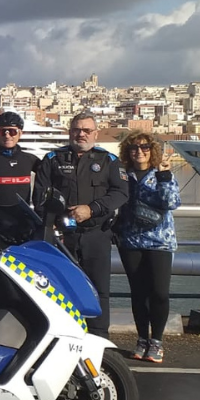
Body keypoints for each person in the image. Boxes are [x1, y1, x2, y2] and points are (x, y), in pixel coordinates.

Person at [33, 112, 129, 338]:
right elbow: (39, 198)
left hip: (96, 234)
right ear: (70, 132)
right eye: (77, 129)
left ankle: (98, 338)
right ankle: (63, 336)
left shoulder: (108, 161)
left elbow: (121, 193)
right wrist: (56, 220)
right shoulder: (52, 160)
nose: (81, 134)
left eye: (87, 130)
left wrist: (92, 209)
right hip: (62, 236)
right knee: (60, 288)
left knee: (98, 289)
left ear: (95, 133)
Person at [115, 134, 180, 363]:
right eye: (134, 147)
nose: (139, 151)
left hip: (160, 240)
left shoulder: (161, 174)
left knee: (160, 292)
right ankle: (142, 338)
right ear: (127, 151)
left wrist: (164, 175)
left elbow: (171, 202)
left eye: (144, 147)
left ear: (152, 150)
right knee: (138, 293)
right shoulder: (123, 175)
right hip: (130, 240)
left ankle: (158, 340)